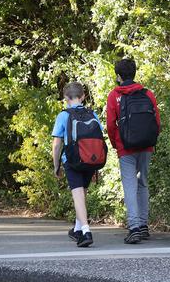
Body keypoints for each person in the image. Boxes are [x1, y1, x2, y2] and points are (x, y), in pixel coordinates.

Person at [106, 57, 161, 244]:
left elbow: (111, 126)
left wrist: (116, 144)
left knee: (130, 186)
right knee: (143, 183)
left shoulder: (114, 96)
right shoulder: (147, 93)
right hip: (146, 145)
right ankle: (144, 225)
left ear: (119, 76)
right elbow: (157, 122)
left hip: (125, 147)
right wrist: (151, 141)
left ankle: (134, 227)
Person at [52, 82, 106, 248]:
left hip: (73, 160)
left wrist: (56, 166)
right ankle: (77, 229)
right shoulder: (92, 114)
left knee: (77, 195)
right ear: (83, 96)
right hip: (91, 159)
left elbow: (56, 144)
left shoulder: (63, 115)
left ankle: (86, 231)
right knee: (82, 193)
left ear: (66, 98)